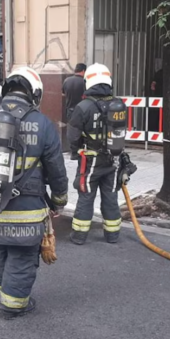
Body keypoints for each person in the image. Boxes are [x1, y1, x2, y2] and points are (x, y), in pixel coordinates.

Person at [0, 66, 69, 318]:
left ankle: (4, 290)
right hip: (27, 210)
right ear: (34, 93)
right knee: (22, 255)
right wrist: (58, 201)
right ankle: (13, 303)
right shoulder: (43, 124)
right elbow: (56, 169)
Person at [68, 63, 125, 245]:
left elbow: (73, 136)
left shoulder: (83, 107)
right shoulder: (118, 105)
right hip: (114, 160)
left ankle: (79, 235)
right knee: (111, 197)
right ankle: (112, 235)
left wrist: (76, 151)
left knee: (86, 196)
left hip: (90, 161)